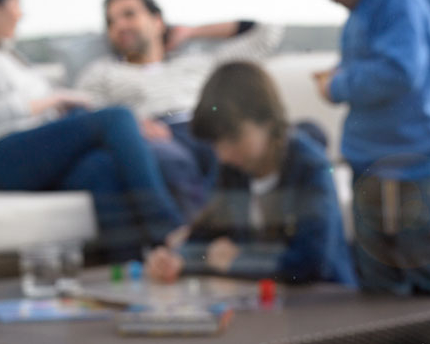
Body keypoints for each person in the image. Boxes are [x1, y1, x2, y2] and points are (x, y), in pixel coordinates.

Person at [0, 0, 183, 260]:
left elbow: (49, 110)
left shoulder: (9, 55)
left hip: (37, 151)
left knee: (101, 167)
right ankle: (171, 233)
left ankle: (131, 272)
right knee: (119, 116)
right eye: (16, 1)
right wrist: (56, 100)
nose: (21, 12)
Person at [289, 0, 430, 295]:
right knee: (378, 281)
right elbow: (379, 63)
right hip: (373, 166)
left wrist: (338, 84)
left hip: (411, 170)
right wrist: (342, 74)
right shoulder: (369, 5)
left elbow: (400, 71)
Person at [74, 0, 284, 218]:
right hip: (156, 133)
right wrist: (132, 127)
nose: (120, 26)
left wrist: (192, 32)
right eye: (111, 22)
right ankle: (195, 244)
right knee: (171, 160)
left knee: (286, 141)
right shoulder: (101, 72)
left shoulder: (199, 62)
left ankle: (253, 236)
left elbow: (267, 33)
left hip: (208, 125)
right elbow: (87, 116)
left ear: (157, 22)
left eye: (129, 15)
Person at [144, 62, 357, 287]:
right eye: (216, 143)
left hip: (325, 303)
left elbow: (312, 263)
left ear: (267, 121)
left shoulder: (309, 166)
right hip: (263, 303)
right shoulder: (232, 169)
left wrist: (240, 260)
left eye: (233, 139)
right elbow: (206, 236)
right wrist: (177, 259)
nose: (223, 155)